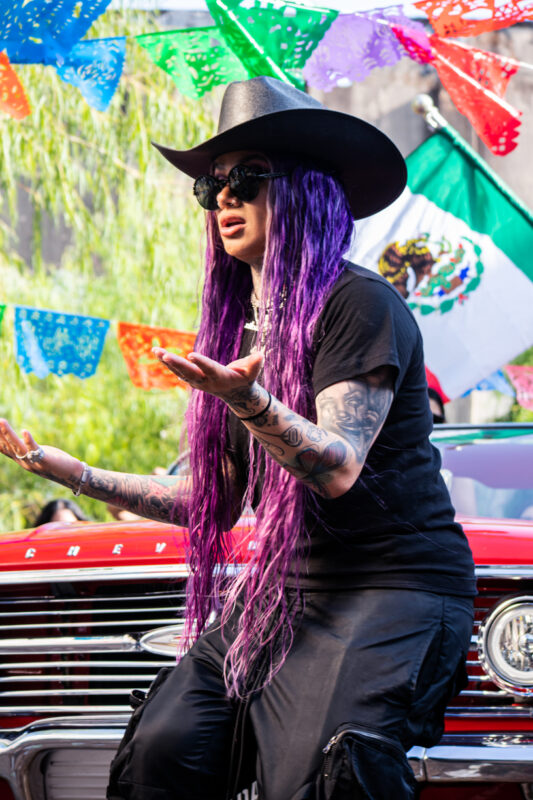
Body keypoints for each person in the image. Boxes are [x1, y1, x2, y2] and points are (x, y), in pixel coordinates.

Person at [0, 77, 476, 800]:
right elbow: (216, 500)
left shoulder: (358, 304)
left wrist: (250, 401)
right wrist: (79, 476)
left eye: (247, 178)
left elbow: (337, 467)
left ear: (305, 191)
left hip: (392, 586)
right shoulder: (240, 331)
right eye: (211, 185)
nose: (223, 196)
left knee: (318, 775)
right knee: (163, 749)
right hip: (285, 590)